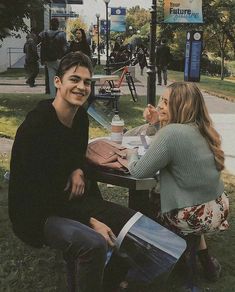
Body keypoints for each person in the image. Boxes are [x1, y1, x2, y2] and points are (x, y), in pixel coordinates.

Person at [8, 51, 137, 292]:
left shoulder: (80, 119)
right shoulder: (37, 126)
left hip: (66, 199)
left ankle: (113, 278)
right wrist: (89, 221)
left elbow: (77, 150)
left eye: (87, 82)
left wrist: (77, 168)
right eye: (74, 79)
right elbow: (38, 193)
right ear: (58, 82)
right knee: (93, 242)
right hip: (36, 212)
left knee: (128, 222)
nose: (81, 87)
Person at [126, 82, 229, 282]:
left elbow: (138, 171)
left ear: (181, 107)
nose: (159, 106)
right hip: (217, 207)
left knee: (152, 202)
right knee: (187, 209)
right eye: (161, 100)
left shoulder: (170, 134)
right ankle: (207, 263)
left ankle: (160, 258)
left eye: (166, 102)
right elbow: (178, 150)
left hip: (193, 215)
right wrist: (158, 123)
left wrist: (131, 154)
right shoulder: (202, 128)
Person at [39, 18, 68, 98]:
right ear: (58, 25)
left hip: (49, 60)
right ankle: (63, 96)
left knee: (52, 80)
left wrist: (42, 59)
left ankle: (53, 98)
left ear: (50, 24)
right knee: (63, 78)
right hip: (59, 59)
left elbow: (42, 47)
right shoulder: (62, 34)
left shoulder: (44, 34)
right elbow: (65, 48)